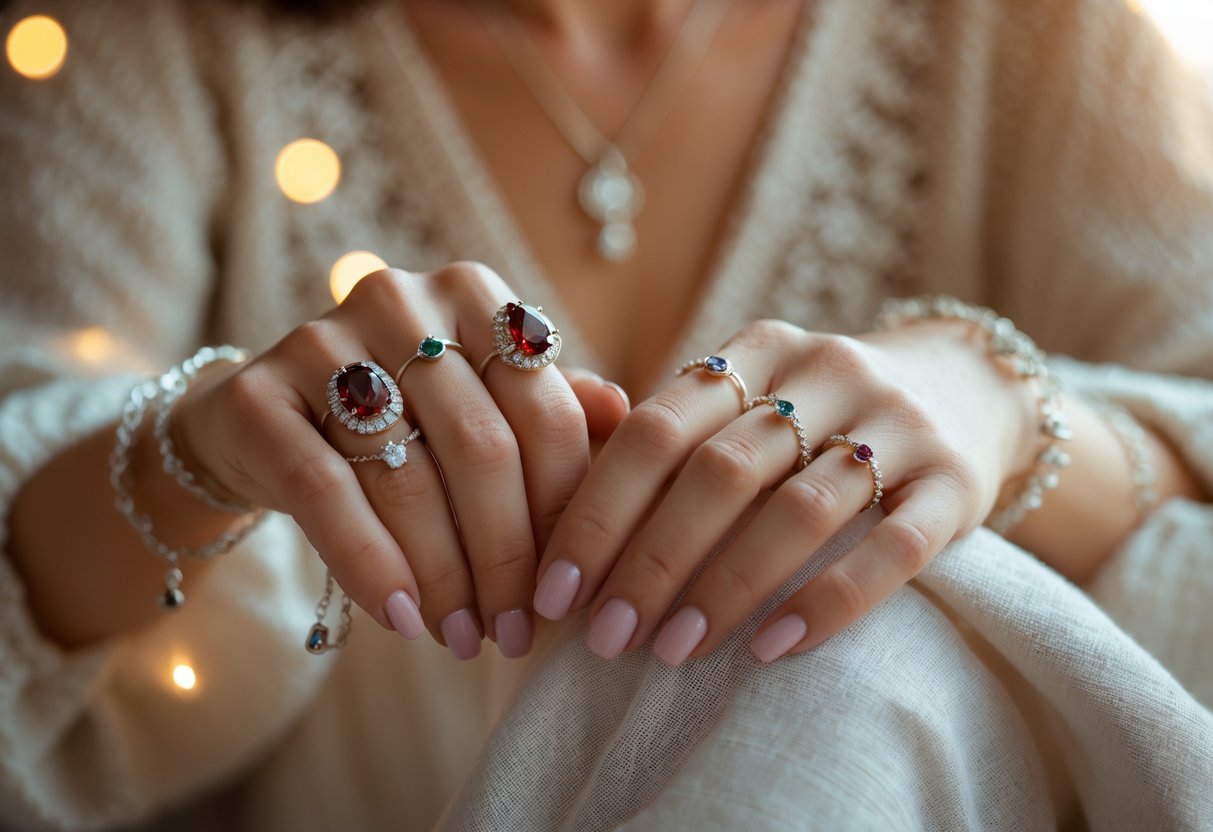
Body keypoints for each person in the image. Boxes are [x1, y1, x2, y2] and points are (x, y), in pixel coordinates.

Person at [1, 0, 1211, 828]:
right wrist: (193, 451)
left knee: (865, 628)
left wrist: (997, 397)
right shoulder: (140, 40)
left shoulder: (1028, 34)